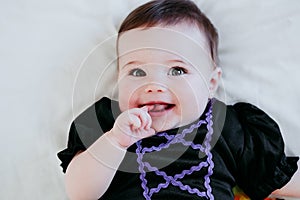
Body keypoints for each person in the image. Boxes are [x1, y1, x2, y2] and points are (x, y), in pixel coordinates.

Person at [57, 0, 299, 199]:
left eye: (177, 70)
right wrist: (115, 142)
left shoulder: (229, 126)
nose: (154, 86)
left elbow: (278, 180)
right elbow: (81, 194)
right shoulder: (106, 121)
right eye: (137, 72)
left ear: (211, 83)